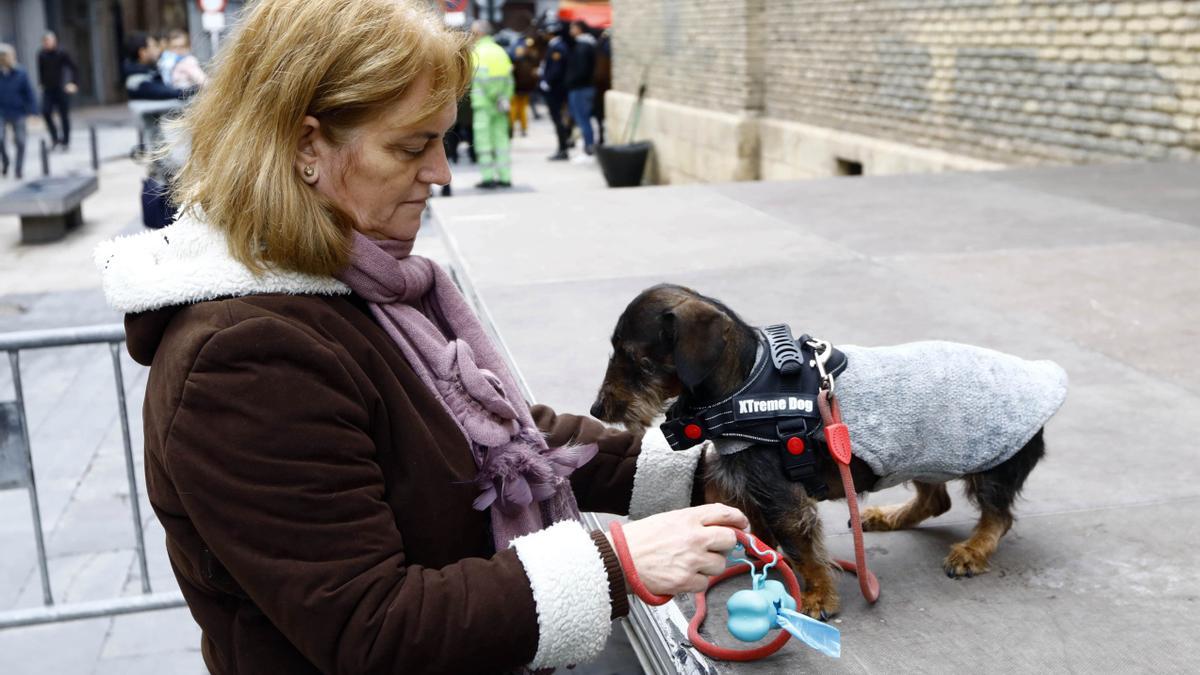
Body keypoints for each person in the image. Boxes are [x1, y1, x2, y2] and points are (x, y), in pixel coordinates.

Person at [92, 1, 745, 673]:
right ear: (305, 145)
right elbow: (371, 628)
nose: (442, 172)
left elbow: (496, 440)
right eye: (411, 146)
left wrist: (710, 470)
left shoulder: (358, 281)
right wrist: (619, 564)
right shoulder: (242, 359)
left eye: (441, 141)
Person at [469, 20, 513, 189]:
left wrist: (491, 95)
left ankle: (487, 178)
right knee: (501, 140)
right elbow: (509, 79)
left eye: (473, 32)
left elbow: (478, 80)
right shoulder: (501, 52)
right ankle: (505, 177)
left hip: (483, 105)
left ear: (479, 33)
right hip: (500, 104)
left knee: (483, 141)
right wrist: (503, 97)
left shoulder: (477, 53)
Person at [0, 43, 37, 179]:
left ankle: (18, 169)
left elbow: (29, 92)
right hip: (1, 112)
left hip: (18, 112)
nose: (5, 59)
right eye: (2, 56)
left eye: (7, 56)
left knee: (21, 141)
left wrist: (33, 111)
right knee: (0, 139)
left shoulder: (21, 73)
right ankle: (5, 161)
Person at [36, 32, 77, 152]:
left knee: (64, 115)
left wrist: (73, 83)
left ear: (54, 41)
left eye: (48, 41)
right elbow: (41, 70)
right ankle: (54, 138)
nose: (46, 44)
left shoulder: (62, 53)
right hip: (48, 89)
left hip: (62, 88)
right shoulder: (41, 54)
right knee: (46, 111)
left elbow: (73, 68)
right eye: (45, 42)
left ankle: (66, 141)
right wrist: (41, 83)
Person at [565, 20, 598, 156]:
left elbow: (582, 70)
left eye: (573, 27)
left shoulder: (583, 46)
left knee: (583, 119)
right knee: (581, 118)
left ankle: (589, 147)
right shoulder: (583, 45)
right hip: (582, 87)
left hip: (581, 88)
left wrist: (570, 81)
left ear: (580, 29)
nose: (570, 30)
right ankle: (587, 146)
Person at [540, 21, 572, 160]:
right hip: (555, 89)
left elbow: (557, 69)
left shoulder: (557, 47)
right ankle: (562, 147)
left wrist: (547, 81)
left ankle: (563, 149)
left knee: (558, 119)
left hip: (556, 90)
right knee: (557, 120)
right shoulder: (554, 46)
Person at [509, 36, 539, 137]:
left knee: (522, 109)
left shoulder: (531, 59)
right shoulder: (516, 59)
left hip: (524, 88)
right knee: (514, 109)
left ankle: (522, 128)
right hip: (516, 88)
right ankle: (512, 127)